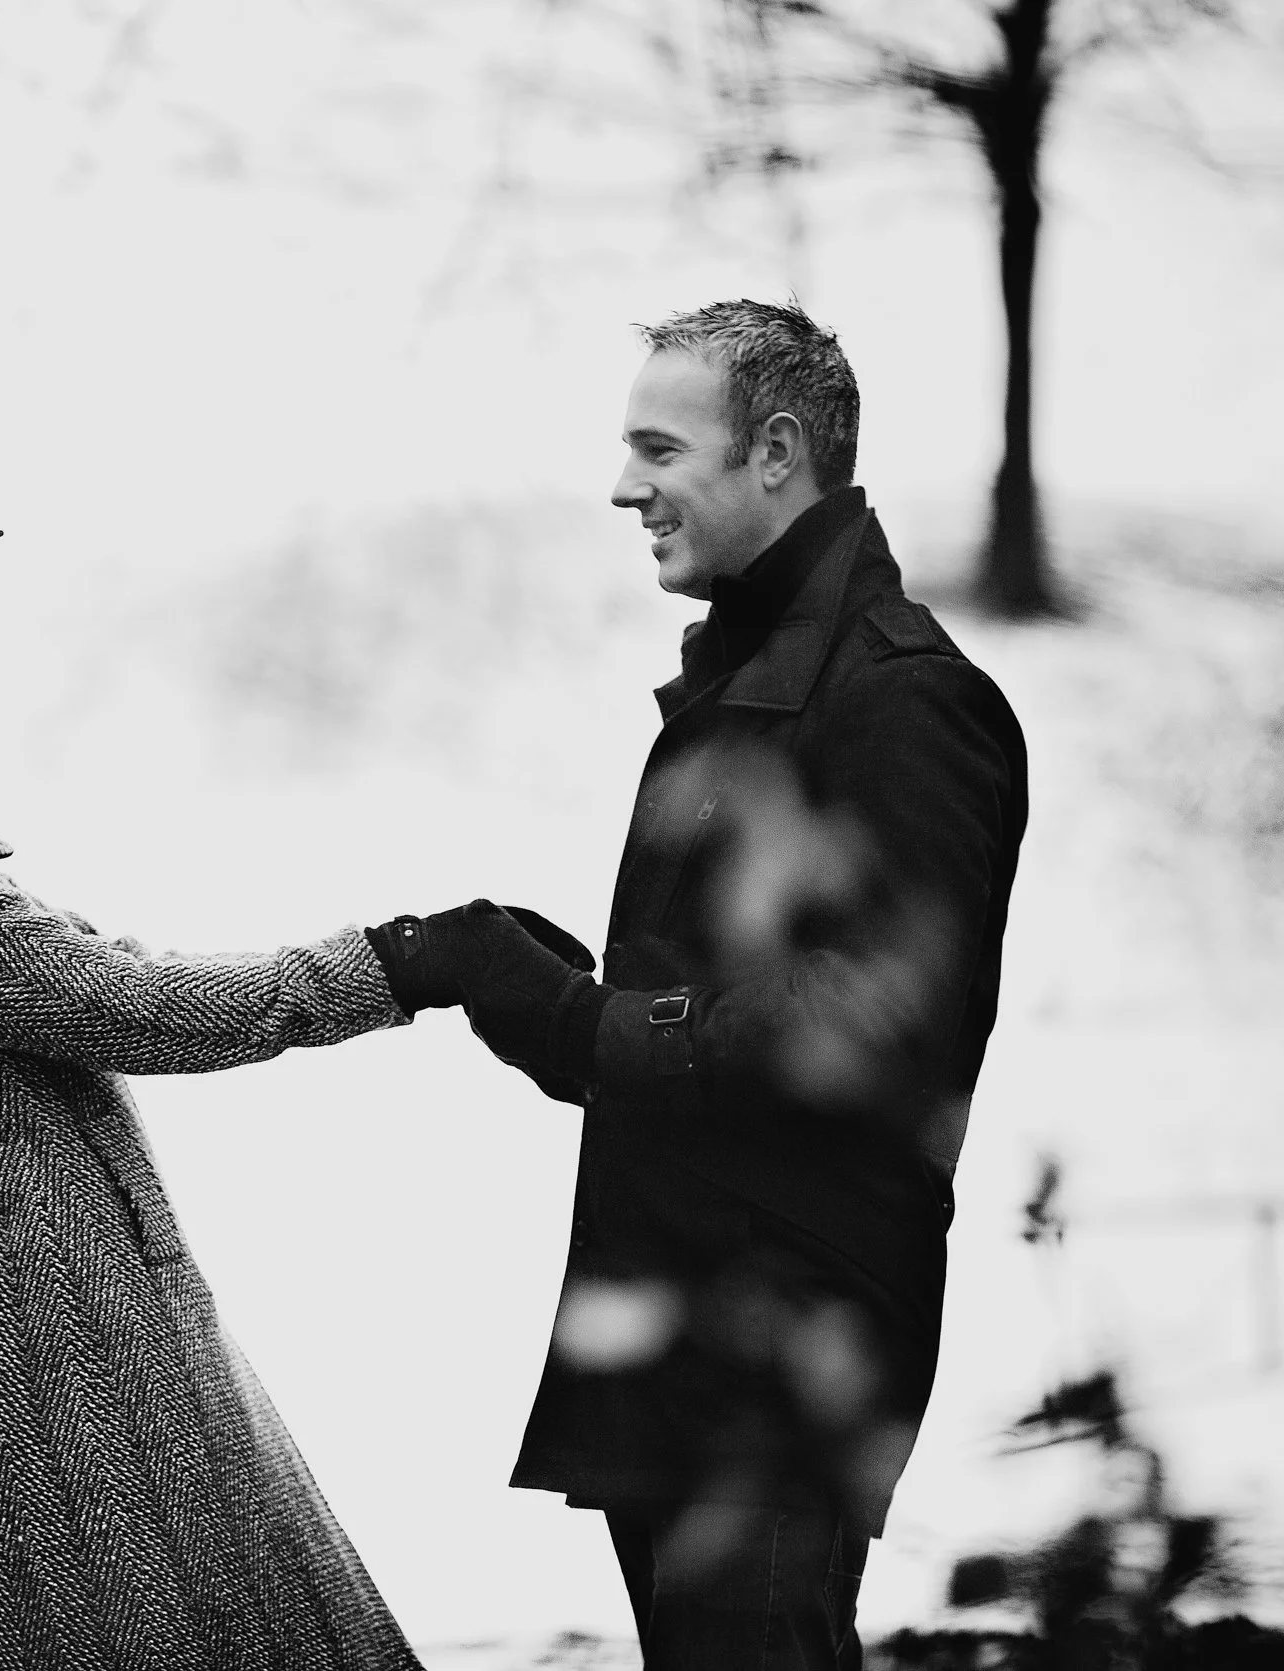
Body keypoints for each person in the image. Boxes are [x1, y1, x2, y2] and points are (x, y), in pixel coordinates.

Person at [0, 461, 466, 1671]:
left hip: (65, 1306)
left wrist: (396, 961)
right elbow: (114, 1003)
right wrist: (392, 967)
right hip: (55, 1340)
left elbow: (85, 971)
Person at [396, 301, 1030, 1668]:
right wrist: (548, 990)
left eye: (657, 448)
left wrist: (588, 1023)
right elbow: (741, 985)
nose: (623, 486)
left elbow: (882, 1020)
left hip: (781, 1357)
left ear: (778, 452)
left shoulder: (903, 699)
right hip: (693, 1335)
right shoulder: (758, 675)